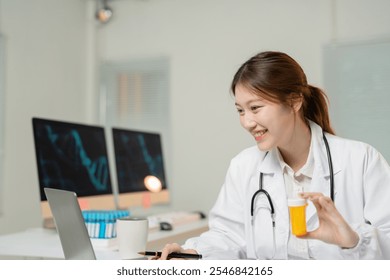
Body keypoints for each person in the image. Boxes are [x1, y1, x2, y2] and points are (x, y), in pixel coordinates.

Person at [156, 51, 390, 259]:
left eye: (255, 108)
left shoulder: (361, 160)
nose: (247, 122)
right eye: (240, 111)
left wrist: (352, 241)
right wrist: (193, 253)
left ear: (294, 101)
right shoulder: (243, 166)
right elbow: (228, 236)